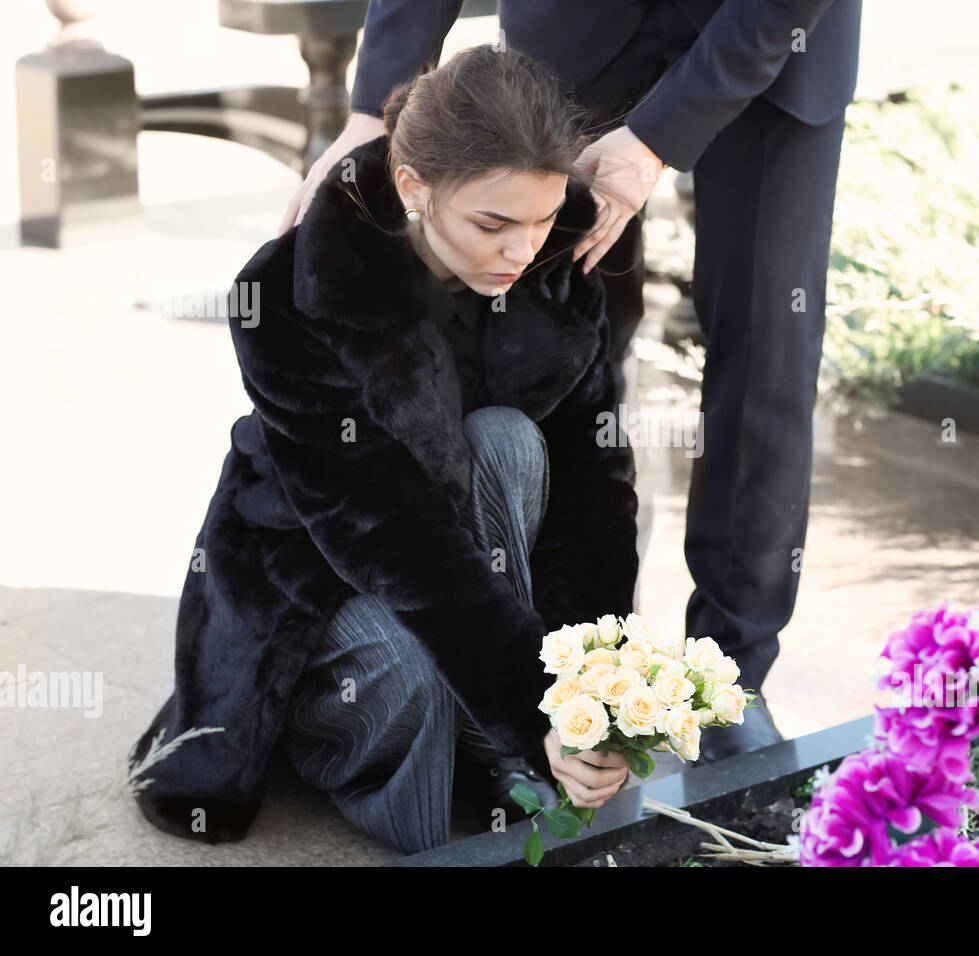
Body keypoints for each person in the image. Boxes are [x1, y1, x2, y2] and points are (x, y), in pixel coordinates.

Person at [281, 0, 864, 763]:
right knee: (555, 353)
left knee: (767, 357)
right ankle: (569, 664)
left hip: (778, 34)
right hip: (579, 32)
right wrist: (373, 104)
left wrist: (654, 142)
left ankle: (732, 681)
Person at [128, 45, 641, 853]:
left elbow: (595, 496)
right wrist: (529, 704)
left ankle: (497, 748)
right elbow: (389, 532)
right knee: (408, 668)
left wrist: (594, 697)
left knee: (507, 438)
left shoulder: (562, 263)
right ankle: (368, 747)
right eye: (493, 224)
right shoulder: (289, 293)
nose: (522, 250)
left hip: (475, 577)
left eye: (542, 219)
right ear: (414, 187)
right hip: (322, 574)